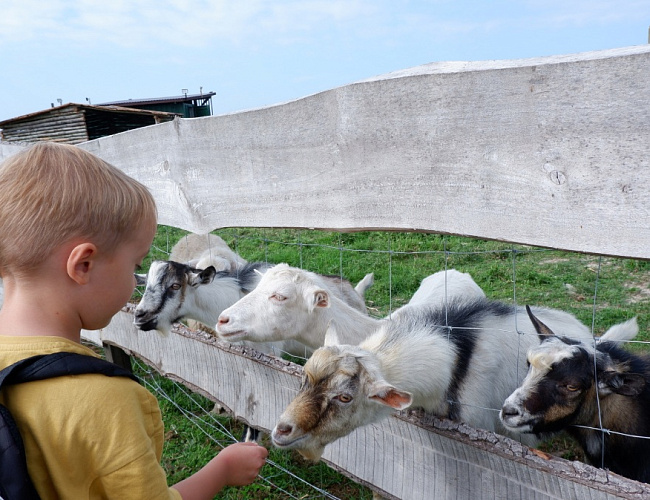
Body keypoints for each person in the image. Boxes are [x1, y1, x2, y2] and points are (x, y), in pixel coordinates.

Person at [0, 142, 268, 499]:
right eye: (135, 266)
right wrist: (221, 470)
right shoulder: (106, 402)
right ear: (83, 266)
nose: (134, 283)